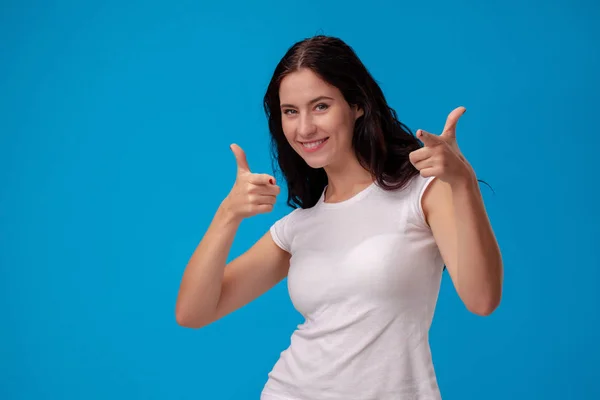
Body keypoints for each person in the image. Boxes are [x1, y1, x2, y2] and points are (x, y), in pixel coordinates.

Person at [175, 35, 503, 400]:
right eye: (290, 111)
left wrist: (463, 182)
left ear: (357, 105)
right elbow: (193, 312)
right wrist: (228, 215)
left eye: (320, 106)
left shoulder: (421, 193)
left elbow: (482, 299)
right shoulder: (298, 227)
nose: (304, 129)